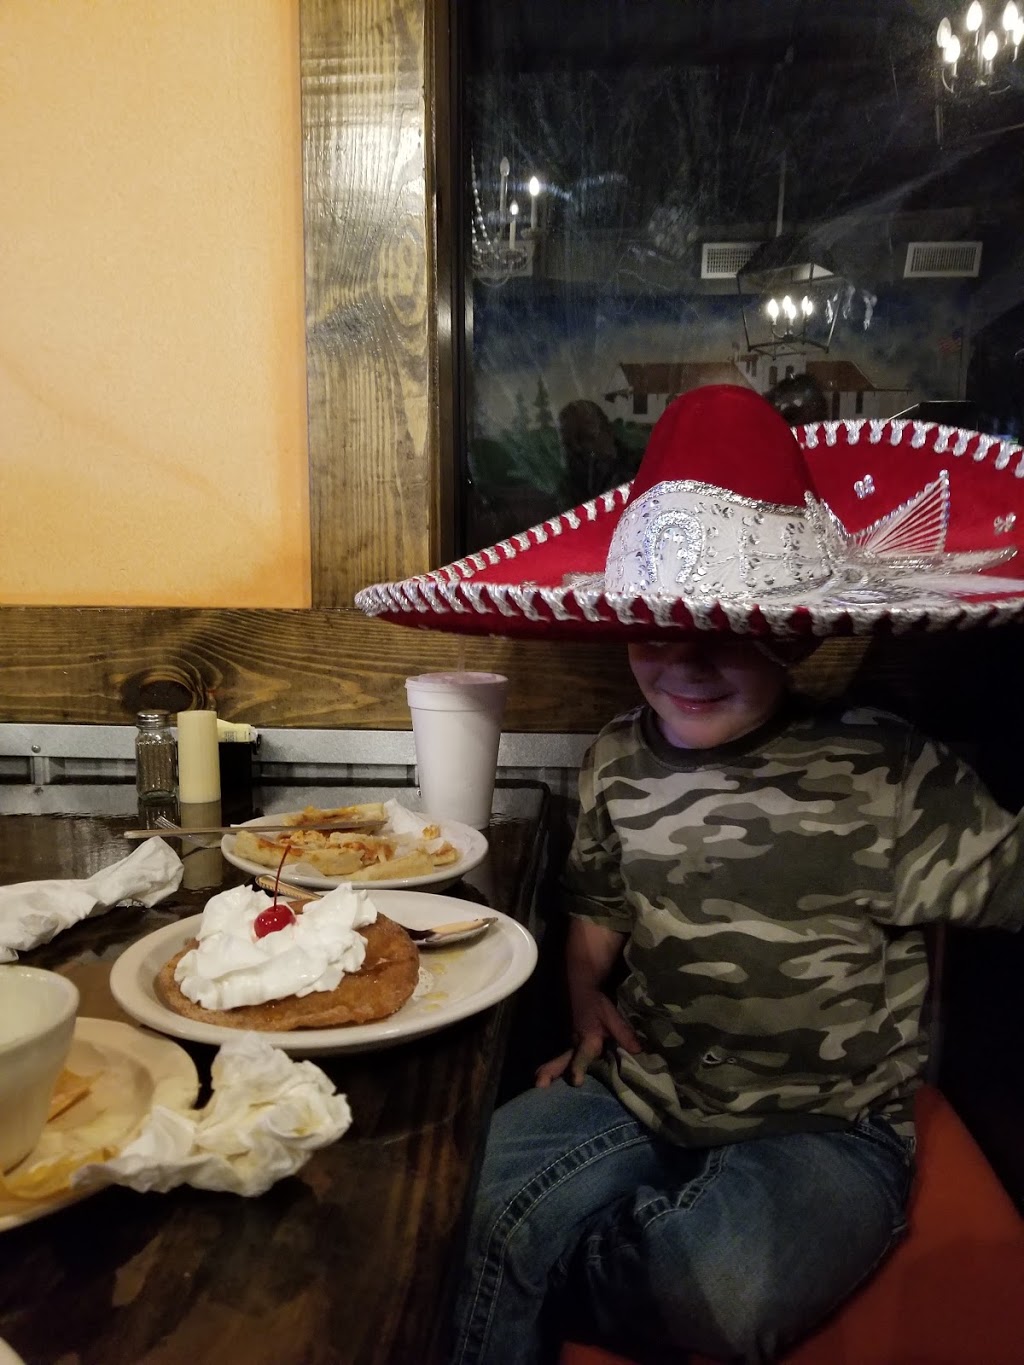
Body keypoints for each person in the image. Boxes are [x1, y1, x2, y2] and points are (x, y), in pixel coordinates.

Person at [354, 385, 1024, 1365]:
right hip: (639, 1090)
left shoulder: (887, 772)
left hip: (826, 1131)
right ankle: (509, 1265)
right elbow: (599, 898)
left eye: (733, 627)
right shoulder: (615, 758)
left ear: (797, 632)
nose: (688, 660)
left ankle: (535, 1271)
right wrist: (585, 1001)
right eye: (656, 623)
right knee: (457, 1201)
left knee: (713, 1287)